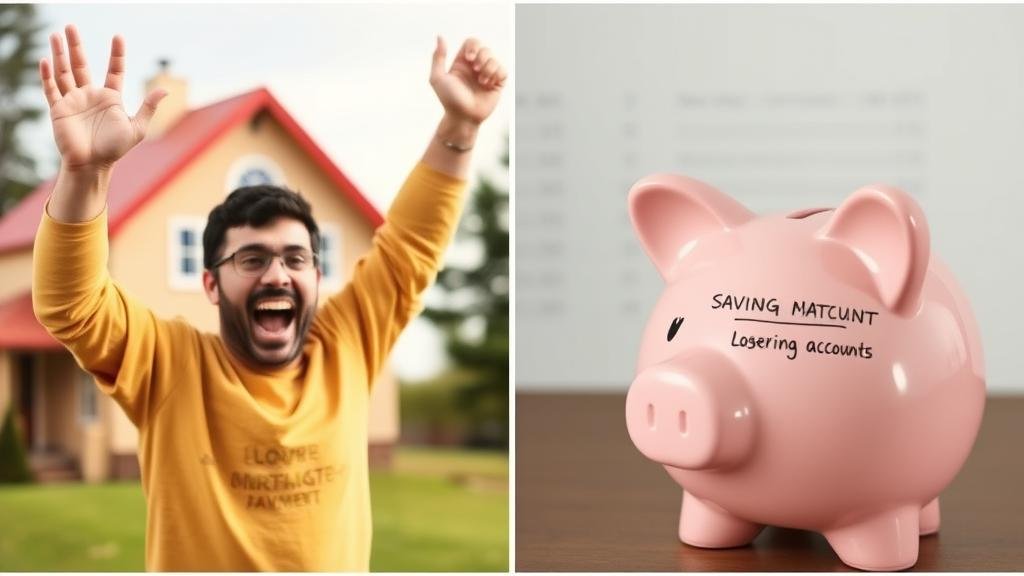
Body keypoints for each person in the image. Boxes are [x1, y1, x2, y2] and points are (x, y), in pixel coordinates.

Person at [32, 24, 506, 571]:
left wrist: (462, 125)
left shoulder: (347, 346)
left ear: (316, 275)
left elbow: (411, 247)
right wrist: (85, 174)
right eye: (252, 259)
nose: (278, 274)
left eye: (296, 258)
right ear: (211, 284)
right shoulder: (170, 366)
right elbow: (72, 304)